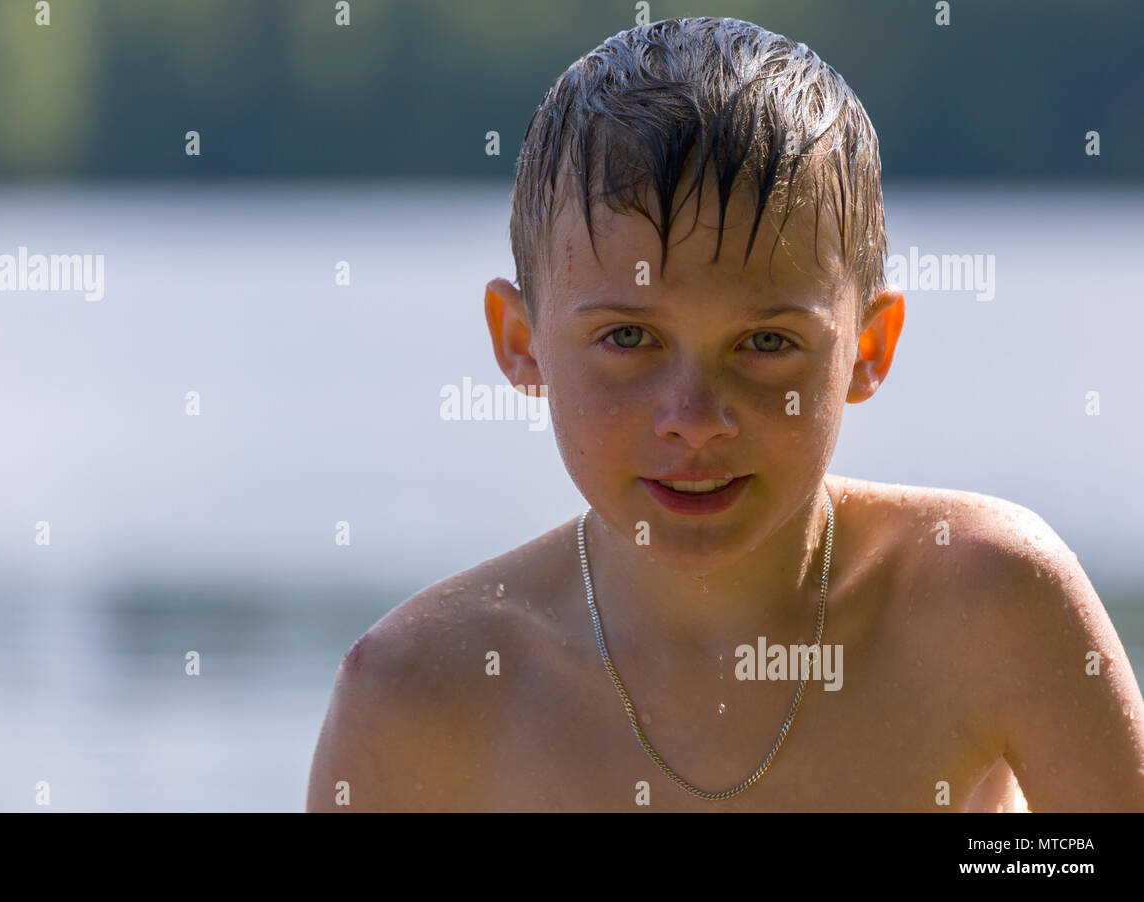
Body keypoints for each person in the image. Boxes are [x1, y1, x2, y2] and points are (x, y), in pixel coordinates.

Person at [306, 16, 1144, 812]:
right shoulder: (416, 695)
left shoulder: (990, 604)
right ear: (521, 342)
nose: (694, 419)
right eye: (628, 336)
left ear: (868, 348)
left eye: (767, 342)